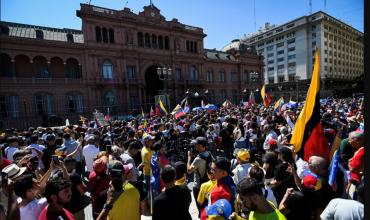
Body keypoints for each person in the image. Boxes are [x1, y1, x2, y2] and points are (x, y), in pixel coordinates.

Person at [187, 136, 213, 215]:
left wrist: (189, 157)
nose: (195, 146)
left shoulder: (198, 159)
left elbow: (189, 171)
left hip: (199, 186)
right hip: (208, 183)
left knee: (201, 210)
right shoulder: (209, 154)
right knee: (207, 206)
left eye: (197, 144)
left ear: (201, 146)